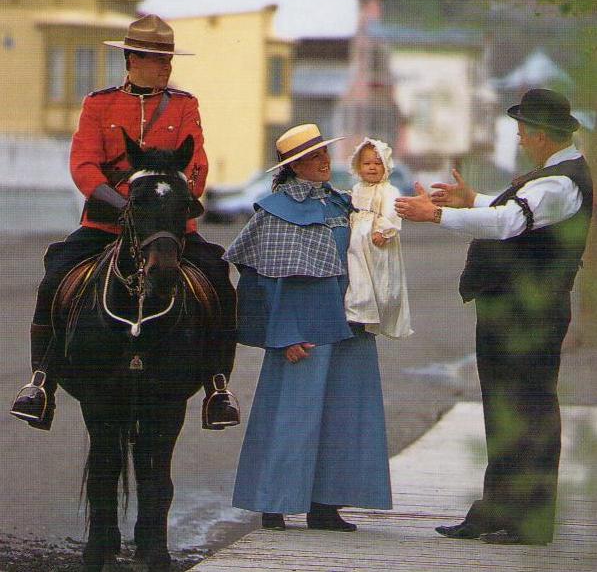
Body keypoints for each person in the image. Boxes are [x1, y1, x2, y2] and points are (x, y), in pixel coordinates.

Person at [11, 14, 238, 432]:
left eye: (168, 57)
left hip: (166, 225)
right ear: (131, 59)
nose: (165, 65)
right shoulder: (99, 103)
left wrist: (178, 196)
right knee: (54, 278)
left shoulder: (185, 105)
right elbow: (82, 164)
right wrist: (119, 203)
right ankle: (40, 383)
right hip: (106, 223)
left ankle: (217, 387)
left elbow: (198, 163)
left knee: (219, 279)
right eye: (155, 57)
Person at [395, 88, 593, 546]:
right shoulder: (555, 178)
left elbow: (509, 223)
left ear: (542, 135)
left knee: (526, 411)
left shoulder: (559, 183)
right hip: (519, 308)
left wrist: (438, 214)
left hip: (530, 311)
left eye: (523, 130)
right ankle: (500, 510)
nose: (520, 137)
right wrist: (473, 201)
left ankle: (528, 519)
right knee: (510, 410)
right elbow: (514, 214)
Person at [225, 123, 392, 531]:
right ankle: (273, 503)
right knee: (290, 416)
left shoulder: (342, 203)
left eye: (324, 153)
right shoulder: (276, 210)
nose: (324, 161)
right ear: (294, 165)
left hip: (348, 323)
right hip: (300, 330)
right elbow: (263, 280)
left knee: (343, 414)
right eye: (314, 156)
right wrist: (282, 337)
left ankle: (325, 506)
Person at [345, 138, 412, 339]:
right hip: (356, 238)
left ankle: (376, 310)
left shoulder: (388, 191)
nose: (372, 168)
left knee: (380, 277)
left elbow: (391, 212)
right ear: (358, 166)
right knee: (357, 274)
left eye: (377, 163)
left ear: (386, 165)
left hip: (376, 240)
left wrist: (384, 230)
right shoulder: (356, 189)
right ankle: (359, 309)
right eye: (367, 164)